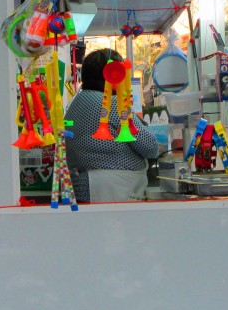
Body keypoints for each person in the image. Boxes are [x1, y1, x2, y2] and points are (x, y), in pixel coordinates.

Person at [65, 48, 162, 203]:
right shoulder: (110, 104)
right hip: (112, 188)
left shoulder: (76, 103)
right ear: (113, 74)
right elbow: (150, 147)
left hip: (83, 187)